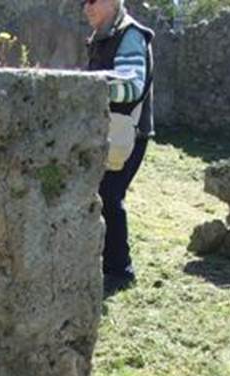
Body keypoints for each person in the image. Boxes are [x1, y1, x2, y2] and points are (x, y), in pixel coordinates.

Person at [84, 0, 155, 296]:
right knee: (103, 196)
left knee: (110, 197)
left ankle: (120, 270)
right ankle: (106, 263)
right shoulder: (103, 36)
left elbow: (132, 87)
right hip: (109, 132)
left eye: (92, 0)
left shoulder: (130, 35)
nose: (86, 7)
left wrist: (83, 88)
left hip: (128, 134)